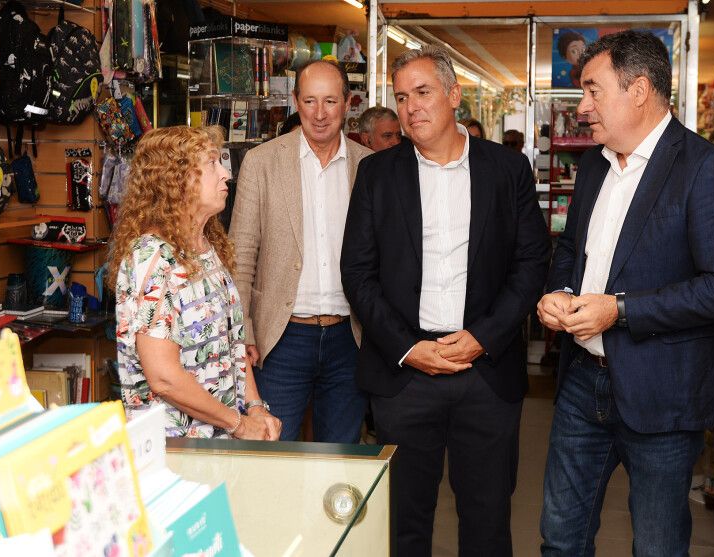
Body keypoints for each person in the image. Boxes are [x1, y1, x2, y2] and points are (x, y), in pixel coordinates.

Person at [536, 30, 714, 555]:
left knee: (657, 546)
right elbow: (572, 249)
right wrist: (560, 291)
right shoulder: (594, 164)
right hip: (580, 384)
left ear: (638, 90)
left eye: (593, 91)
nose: (582, 107)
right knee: (560, 538)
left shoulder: (704, 168)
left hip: (663, 392)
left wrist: (621, 312)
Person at [341, 45, 549, 556]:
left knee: (486, 519)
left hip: (485, 369)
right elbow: (358, 273)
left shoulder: (507, 171)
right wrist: (410, 349)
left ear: (454, 95)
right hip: (406, 374)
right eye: (402, 97)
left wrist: (483, 338)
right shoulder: (377, 174)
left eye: (424, 93)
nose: (412, 107)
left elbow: (531, 264)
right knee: (405, 522)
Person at [230, 60, 374, 443]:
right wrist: (242, 330)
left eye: (330, 101)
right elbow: (241, 254)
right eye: (310, 101)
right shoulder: (262, 162)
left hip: (351, 339)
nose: (320, 113)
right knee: (274, 457)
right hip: (280, 339)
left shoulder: (371, 166)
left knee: (340, 459)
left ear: (347, 103)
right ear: (295, 101)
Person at [110, 125, 281, 440]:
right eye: (212, 163)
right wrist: (240, 424)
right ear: (177, 180)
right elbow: (163, 377)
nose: (225, 174)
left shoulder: (204, 246)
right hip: (174, 451)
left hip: (218, 445)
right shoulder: (153, 258)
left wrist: (255, 406)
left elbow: (231, 343)